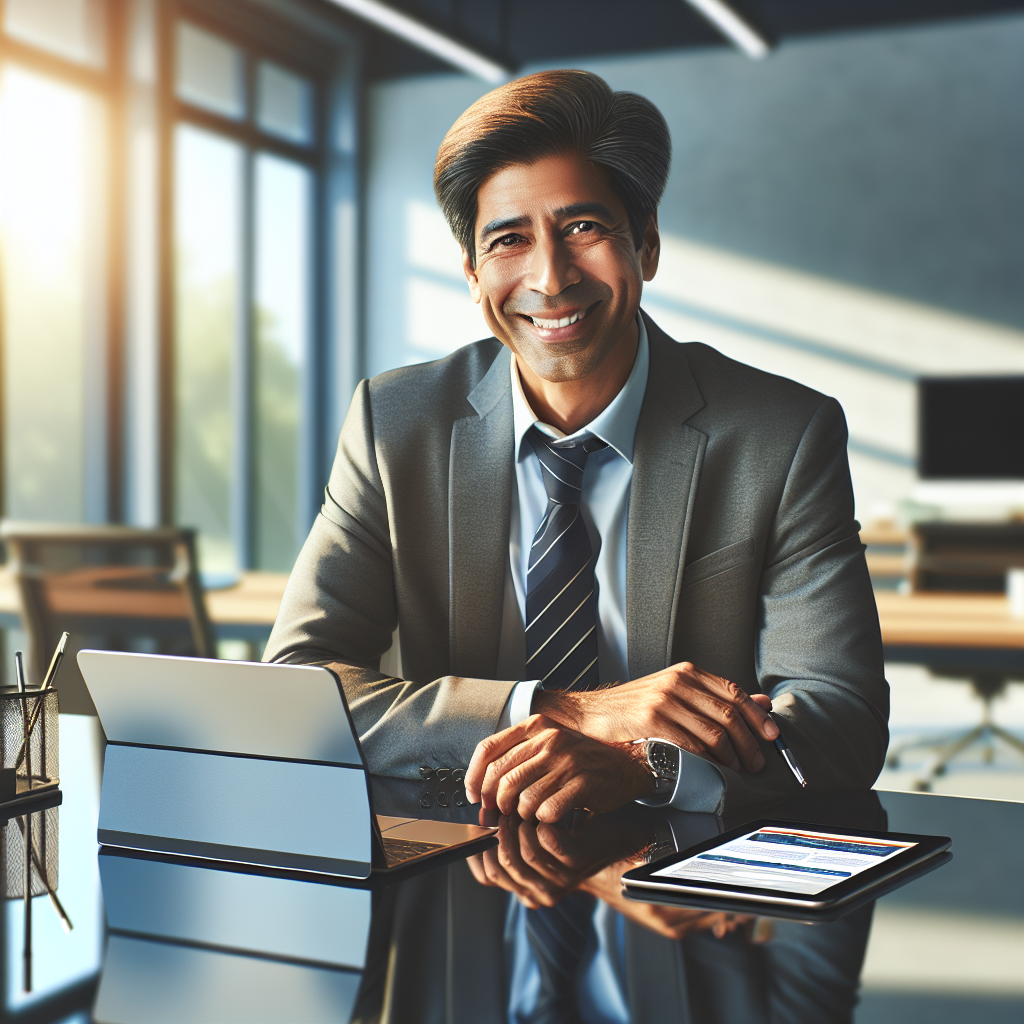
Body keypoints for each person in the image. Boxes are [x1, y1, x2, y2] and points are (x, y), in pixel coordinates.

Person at [265, 69, 888, 1023]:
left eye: (585, 229)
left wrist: (649, 764)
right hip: (465, 910)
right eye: (507, 240)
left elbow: (838, 723)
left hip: (688, 922)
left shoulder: (782, 433)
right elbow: (297, 691)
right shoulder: (397, 423)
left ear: (645, 244)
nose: (549, 277)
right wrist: (560, 710)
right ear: (472, 273)